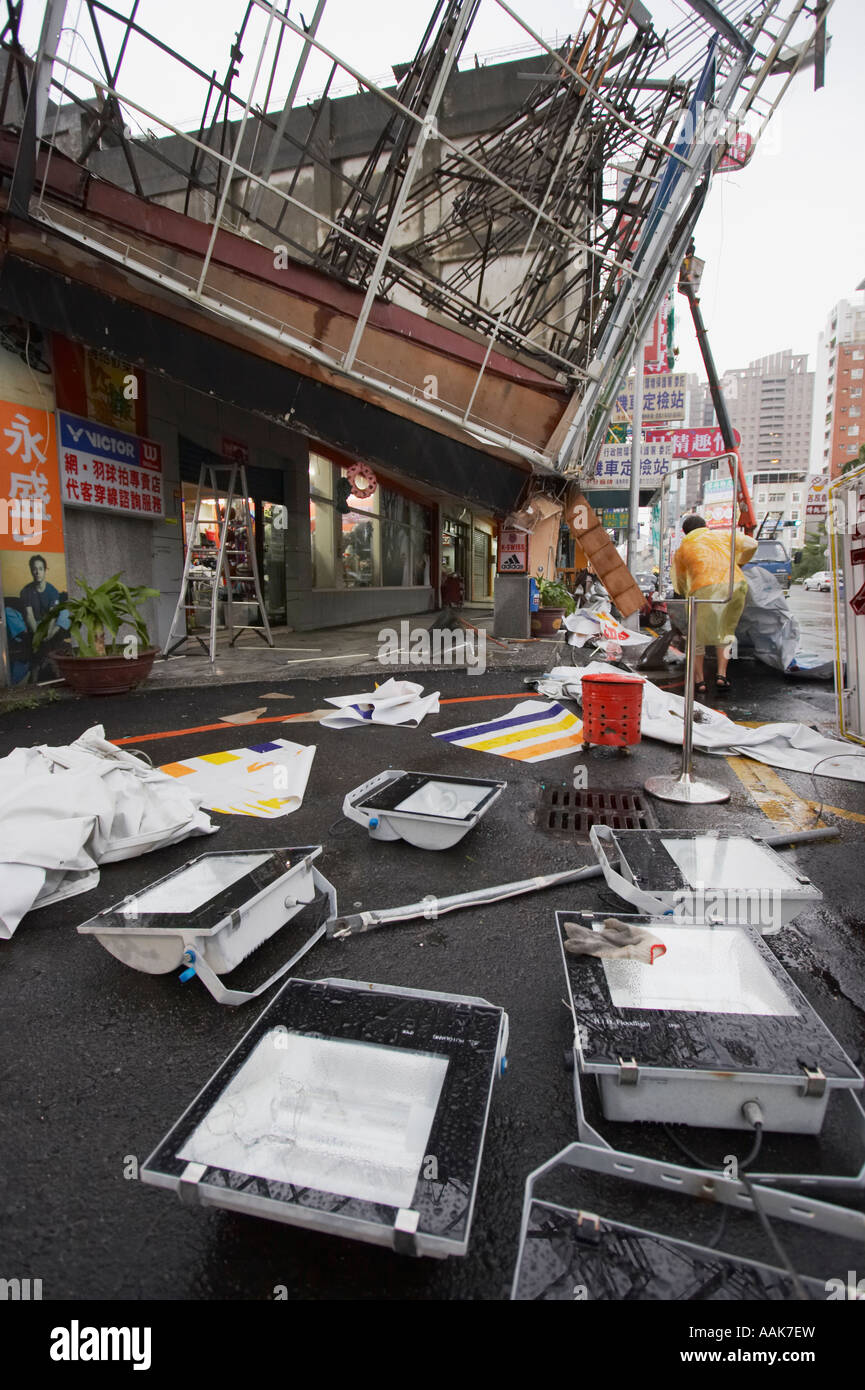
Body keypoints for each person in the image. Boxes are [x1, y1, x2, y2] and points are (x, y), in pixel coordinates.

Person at [671, 515, 757, 695]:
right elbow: (752, 544)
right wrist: (740, 561)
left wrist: (686, 591)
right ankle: (722, 675)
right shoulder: (723, 536)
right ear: (705, 526)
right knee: (725, 632)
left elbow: (678, 581)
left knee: (697, 636)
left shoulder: (683, 549)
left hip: (703, 589)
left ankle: (700, 681)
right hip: (736, 585)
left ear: (685, 532)